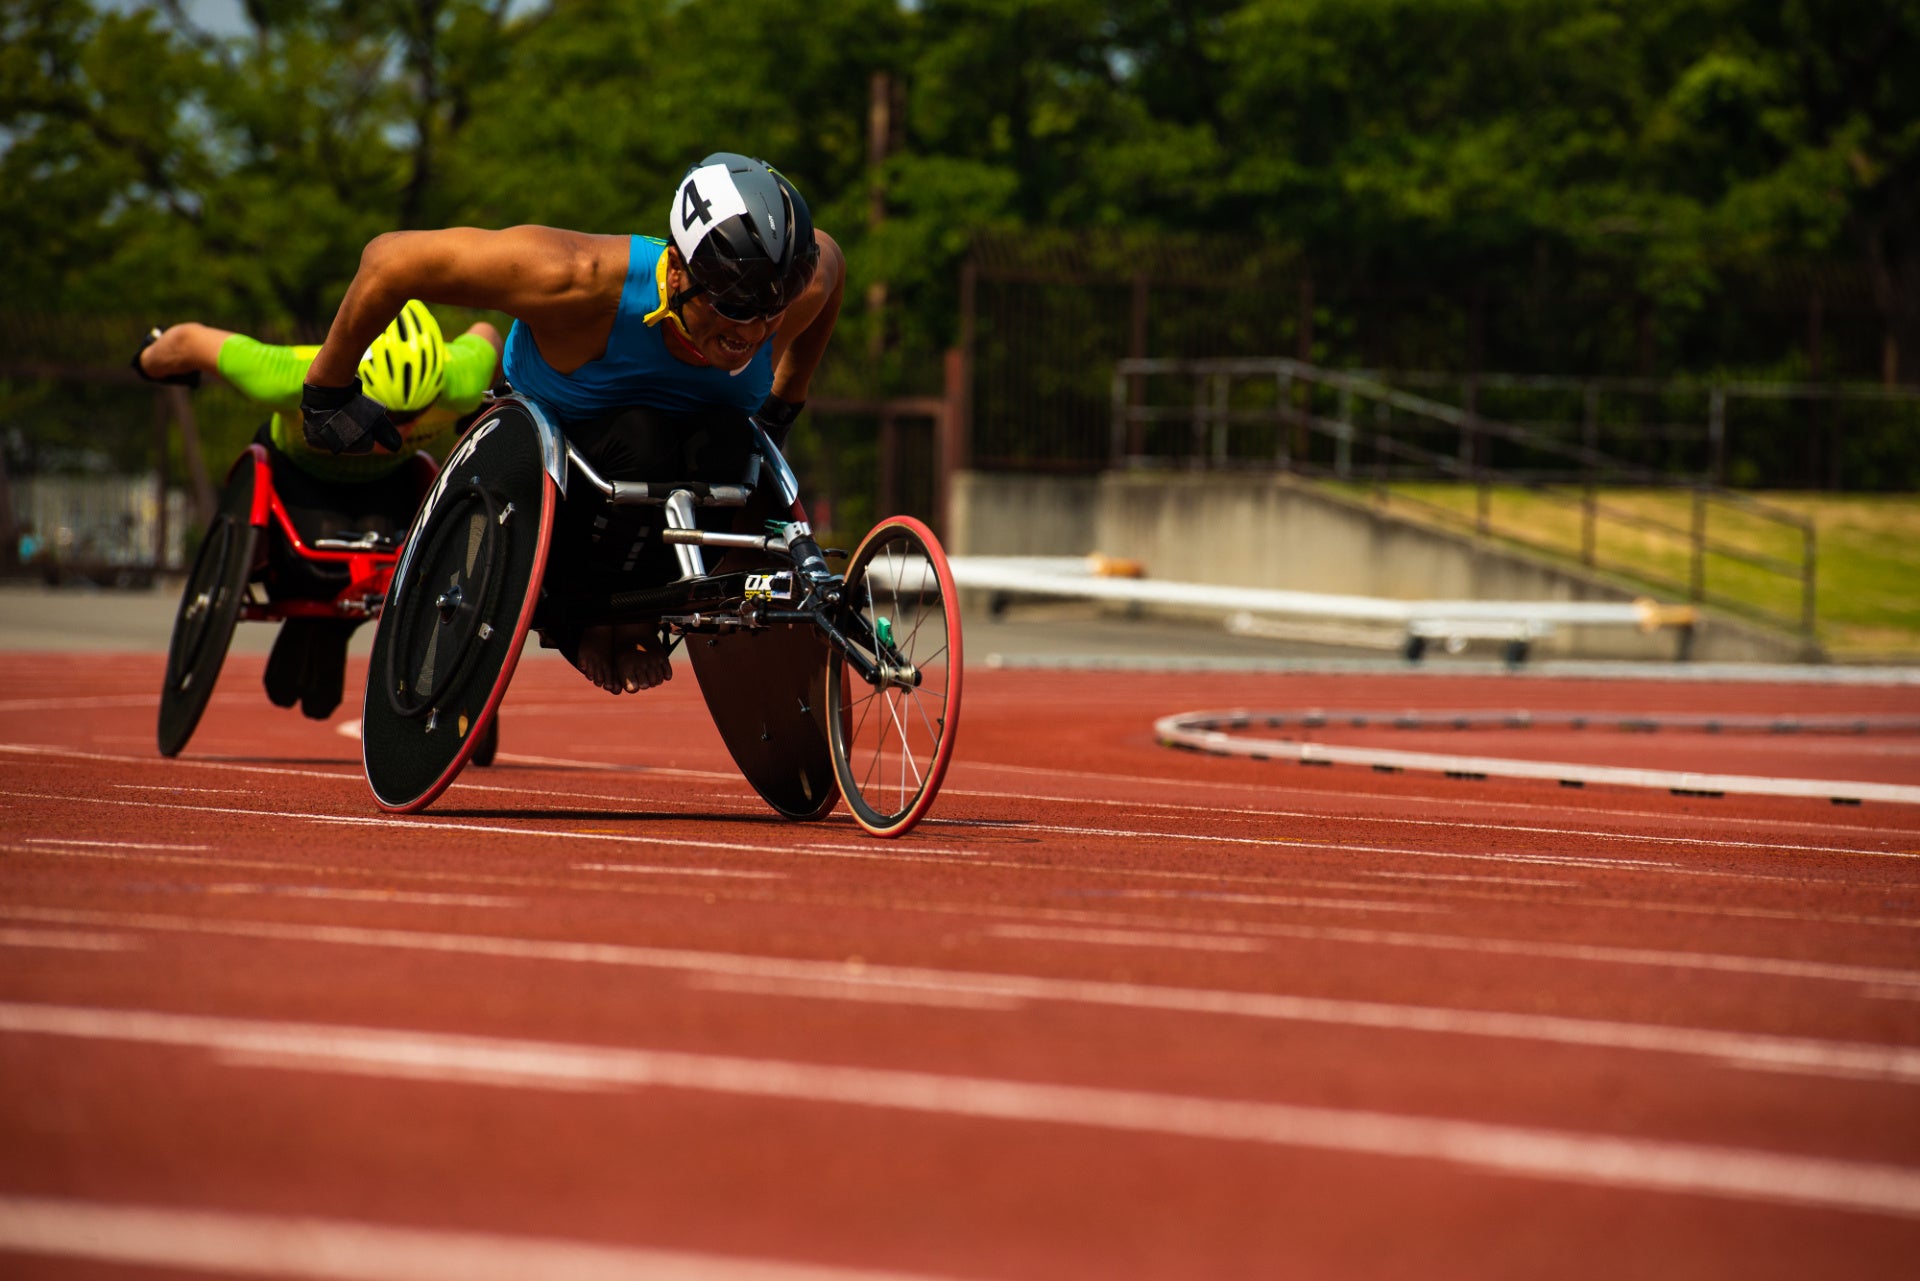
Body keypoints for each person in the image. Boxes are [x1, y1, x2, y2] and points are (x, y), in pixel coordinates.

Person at [295, 152, 846, 696]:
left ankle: (641, 609)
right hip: (563, 459)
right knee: (643, 438)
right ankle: (585, 620)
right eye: (734, 305)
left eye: (770, 311)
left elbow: (832, 262)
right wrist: (328, 389)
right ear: (678, 272)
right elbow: (390, 260)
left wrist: (782, 406)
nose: (753, 329)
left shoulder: (788, 293)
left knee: (731, 445)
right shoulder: (573, 277)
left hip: (685, 460)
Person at [134, 303, 503, 718]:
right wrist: (149, 359)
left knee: (379, 554)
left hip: (386, 488)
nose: (397, 432)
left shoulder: (461, 379)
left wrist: (484, 395)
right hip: (297, 482)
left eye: (412, 416)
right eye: (382, 414)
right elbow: (187, 340)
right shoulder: (292, 374)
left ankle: (332, 629)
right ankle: (316, 619)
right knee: (316, 571)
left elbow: (486, 333)